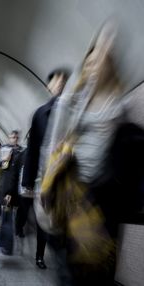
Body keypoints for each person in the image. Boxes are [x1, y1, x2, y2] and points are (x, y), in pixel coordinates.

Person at [40, 20, 144, 285]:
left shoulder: (121, 104)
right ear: (90, 56)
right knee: (75, 270)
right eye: (98, 48)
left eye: (110, 48)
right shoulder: (73, 100)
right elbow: (53, 148)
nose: (103, 53)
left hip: (105, 201)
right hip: (74, 193)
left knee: (99, 268)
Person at [21, 69, 69, 269]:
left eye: (63, 80)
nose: (59, 84)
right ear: (48, 86)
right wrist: (28, 182)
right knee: (45, 215)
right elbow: (32, 150)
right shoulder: (40, 113)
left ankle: (63, 257)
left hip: (66, 174)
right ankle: (40, 255)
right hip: (45, 173)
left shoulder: (73, 109)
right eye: (55, 80)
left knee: (64, 218)